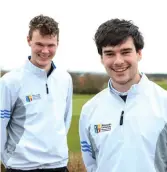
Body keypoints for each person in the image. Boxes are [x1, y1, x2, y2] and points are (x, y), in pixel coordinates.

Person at [79, 18, 167, 172]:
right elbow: (91, 164)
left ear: (139, 53)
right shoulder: (89, 110)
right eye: (110, 54)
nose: (118, 61)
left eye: (125, 52)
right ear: (101, 58)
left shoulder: (164, 103)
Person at [0, 14, 73, 172]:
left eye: (51, 45)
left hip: (58, 165)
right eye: (39, 44)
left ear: (58, 44)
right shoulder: (10, 81)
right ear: (28, 40)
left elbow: (65, 120)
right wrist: (8, 160)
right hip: (21, 167)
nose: (45, 51)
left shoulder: (65, 79)